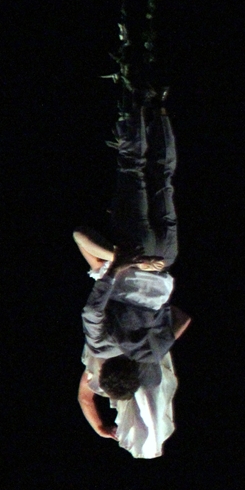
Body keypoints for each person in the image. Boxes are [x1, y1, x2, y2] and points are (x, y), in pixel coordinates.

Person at [76, 90, 191, 458]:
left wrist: (160, 310)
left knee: (163, 179)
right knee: (131, 168)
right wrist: (120, 266)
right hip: (133, 254)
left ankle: (159, 107)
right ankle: (133, 97)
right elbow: (92, 310)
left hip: (164, 262)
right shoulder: (100, 347)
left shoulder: (152, 352)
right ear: (106, 370)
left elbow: (183, 318)